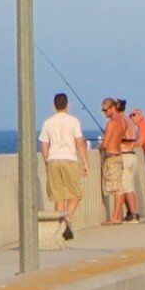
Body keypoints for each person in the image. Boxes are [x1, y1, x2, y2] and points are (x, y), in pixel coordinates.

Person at [38, 92, 88, 240]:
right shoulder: (73, 121)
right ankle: (67, 219)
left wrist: (47, 160)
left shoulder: (48, 122)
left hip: (53, 160)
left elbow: (44, 146)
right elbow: (79, 142)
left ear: (54, 106)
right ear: (67, 105)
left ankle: (60, 226)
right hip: (69, 159)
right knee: (76, 193)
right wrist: (85, 162)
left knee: (58, 196)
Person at [99, 99, 139, 225]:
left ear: (113, 108)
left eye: (105, 110)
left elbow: (105, 144)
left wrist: (100, 147)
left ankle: (116, 217)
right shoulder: (123, 122)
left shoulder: (111, 123)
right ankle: (120, 215)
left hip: (112, 157)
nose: (104, 113)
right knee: (122, 187)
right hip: (120, 156)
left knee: (118, 189)